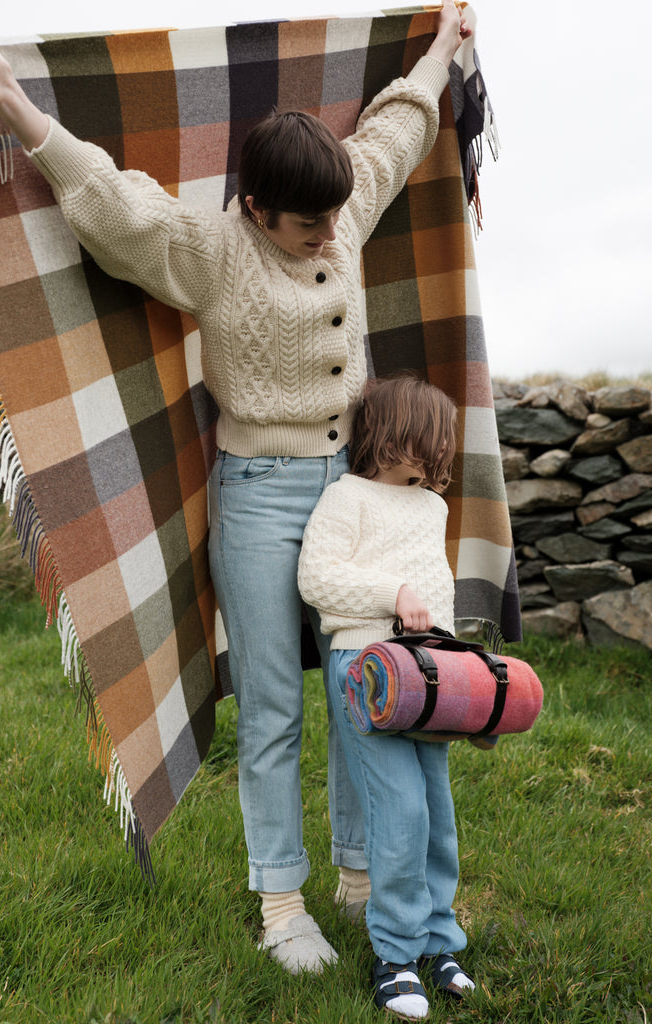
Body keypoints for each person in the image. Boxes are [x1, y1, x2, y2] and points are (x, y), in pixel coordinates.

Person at [0, 1, 472, 976]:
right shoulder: (208, 248)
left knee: (370, 688)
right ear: (255, 208)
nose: (326, 235)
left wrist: (445, 45)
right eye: (304, 224)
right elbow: (107, 199)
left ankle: (362, 880)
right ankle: (283, 902)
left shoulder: (342, 202)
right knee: (273, 707)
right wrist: (10, 102)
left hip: (357, 496)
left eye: (332, 216)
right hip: (261, 500)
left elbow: (395, 133)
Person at [297, 374, 475, 1018]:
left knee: (434, 808)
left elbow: (437, 586)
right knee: (398, 809)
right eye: (431, 440)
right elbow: (318, 579)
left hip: (429, 674)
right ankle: (394, 955)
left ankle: (438, 939)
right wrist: (391, 594)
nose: (438, 455)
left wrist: (455, 662)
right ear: (395, 434)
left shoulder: (433, 508)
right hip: (369, 668)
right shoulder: (348, 499)